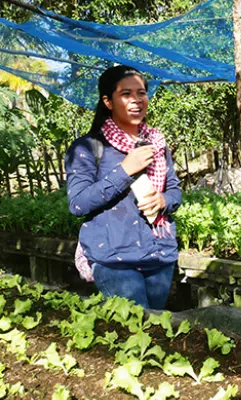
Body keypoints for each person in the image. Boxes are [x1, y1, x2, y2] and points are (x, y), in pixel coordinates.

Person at [65, 65, 182, 309]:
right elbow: (77, 203)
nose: (136, 100)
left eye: (141, 93)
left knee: (156, 330)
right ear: (108, 101)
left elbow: (174, 191)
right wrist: (124, 170)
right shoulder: (88, 148)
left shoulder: (156, 144)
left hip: (159, 254)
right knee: (134, 331)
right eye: (126, 94)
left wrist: (163, 200)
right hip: (115, 259)